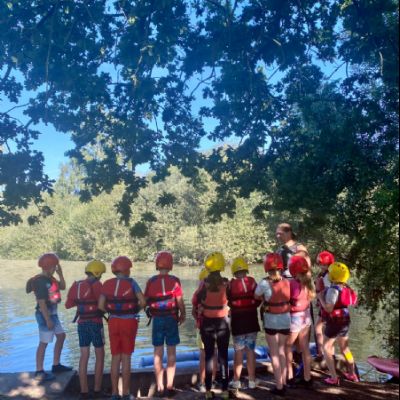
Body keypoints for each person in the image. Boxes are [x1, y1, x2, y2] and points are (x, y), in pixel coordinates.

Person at [98, 256, 146, 400]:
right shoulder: (132, 283)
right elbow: (143, 302)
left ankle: (114, 393)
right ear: (126, 270)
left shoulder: (107, 283)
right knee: (126, 357)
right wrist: (134, 310)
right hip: (129, 322)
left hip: (113, 322)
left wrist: (112, 312)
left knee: (115, 357)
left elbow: (100, 306)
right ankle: (125, 393)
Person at [144, 251, 186, 398]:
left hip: (157, 320)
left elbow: (145, 301)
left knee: (157, 353)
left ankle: (160, 386)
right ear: (170, 265)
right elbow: (180, 301)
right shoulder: (175, 280)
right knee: (171, 352)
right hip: (172, 319)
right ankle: (170, 385)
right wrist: (183, 314)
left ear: (157, 264)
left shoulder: (151, 281)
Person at [26, 253, 72, 383]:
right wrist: (47, 320)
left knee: (61, 336)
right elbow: (41, 302)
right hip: (44, 314)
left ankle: (56, 365)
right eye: (55, 266)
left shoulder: (50, 278)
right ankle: (39, 371)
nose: (56, 267)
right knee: (44, 342)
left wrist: (60, 274)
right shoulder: (41, 281)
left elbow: (62, 286)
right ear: (49, 266)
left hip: (53, 313)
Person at [65, 260, 107, 400]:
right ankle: (97, 390)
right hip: (96, 323)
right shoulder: (98, 285)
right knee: (100, 355)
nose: (101, 277)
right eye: (101, 274)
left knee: (84, 356)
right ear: (97, 273)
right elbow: (103, 305)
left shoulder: (76, 285)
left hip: (81, 324)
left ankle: (84, 392)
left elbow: (68, 305)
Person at [196, 252, 231, 400]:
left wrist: (200, 311)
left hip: (207, 324)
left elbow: (196, 300)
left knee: (209, 356)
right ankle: (225, 390)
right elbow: (232, 300)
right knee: (223, 356)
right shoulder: (227, 284)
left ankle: (208, 390)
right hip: (223, 323)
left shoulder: (204, 284)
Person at [255, 253, 290, 397]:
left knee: (274, 354)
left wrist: (265, 298)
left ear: (266, 268)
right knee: (282, 352)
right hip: (286, 320)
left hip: (271, 320)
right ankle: (284, 382)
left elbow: (256, 295)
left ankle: (279, 386)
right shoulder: (287, 281)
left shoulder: (264, 283)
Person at [318, 262, 359, 386]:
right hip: (345, 319)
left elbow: (329, 308)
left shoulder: (333, 290)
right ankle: (352, 374)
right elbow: (354, 302)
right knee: (345, 348)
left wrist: (320, 298)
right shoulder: (347, 288)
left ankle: (334, 378)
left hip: (334, 322)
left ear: (333, 275)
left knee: (326, 347)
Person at [228, 257, 261, 390]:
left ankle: (236, 381)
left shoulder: (230, 285)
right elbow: (259, 299)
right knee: (250, 350)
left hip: (238, 323)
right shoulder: (252, 282)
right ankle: (252, 381)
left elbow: (227, 301)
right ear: (246, 270)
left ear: (234, 271)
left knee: (238, 351)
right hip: (252, 321)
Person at [286, 256, 316, 388]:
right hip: (306, 317)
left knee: (287, 347)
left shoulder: (292, 283)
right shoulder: (309, 282)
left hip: (295, 318)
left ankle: (289, 377)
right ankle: (307, 378)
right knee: (305, 349)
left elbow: (286, 300)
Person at [192, 268, 217, 393]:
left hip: (202, 327)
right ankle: (213, 380)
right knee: (214, 353)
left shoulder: (198, 294)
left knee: (203, 355)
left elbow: (194, 312)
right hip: (217, 327)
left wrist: (197, 320)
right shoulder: (219, 291)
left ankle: (202, 382)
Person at [314, 251, 335, 360]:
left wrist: (320, 299)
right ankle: (329, 352)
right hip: (326, 304)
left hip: (326, 305)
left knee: (319, 327)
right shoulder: (330, 274)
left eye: (323, 264)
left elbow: (326, 290)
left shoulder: (327, 276)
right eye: (320, 264)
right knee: (324, 328)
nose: (321, 266)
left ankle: (321, 352)